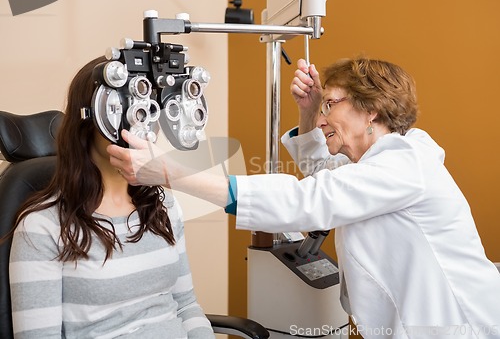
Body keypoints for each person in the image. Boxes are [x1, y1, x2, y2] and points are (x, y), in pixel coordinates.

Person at [108, 57, 500, 338]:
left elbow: (307, 200)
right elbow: (330, 179)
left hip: (458, 326)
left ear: (373, 112)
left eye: (332, 103)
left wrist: (168, 172)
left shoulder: (405, 165)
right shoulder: (379, 166)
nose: (325, 115)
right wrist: (311, 112)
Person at [5, 56, 215, 338]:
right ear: (89, 119)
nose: (138, 123)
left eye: (145, 110)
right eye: (122, 108)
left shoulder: (162, 206)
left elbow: (186, 306)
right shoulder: (42, 228)